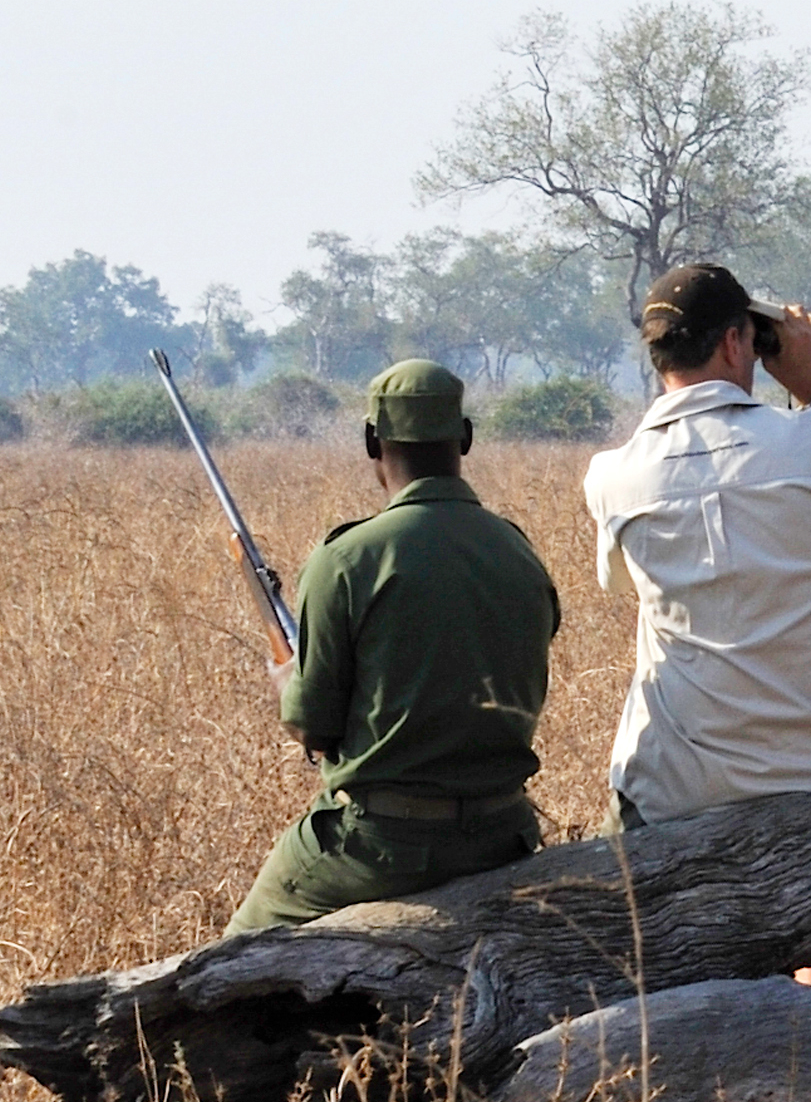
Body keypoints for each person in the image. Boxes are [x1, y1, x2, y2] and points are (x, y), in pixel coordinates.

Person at [584, 259, 811, 986]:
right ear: (737, 344)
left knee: (636, 925)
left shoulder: (613, 474)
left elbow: (618, 583)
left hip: (675, 783)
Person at [228, 359, 562, 936]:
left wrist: (288, 682)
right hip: (501, 833)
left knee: (228, 960)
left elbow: (314, 727)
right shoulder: (516, 549)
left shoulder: (347, 559)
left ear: (370, 441)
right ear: (465, 438)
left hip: (381, 847)